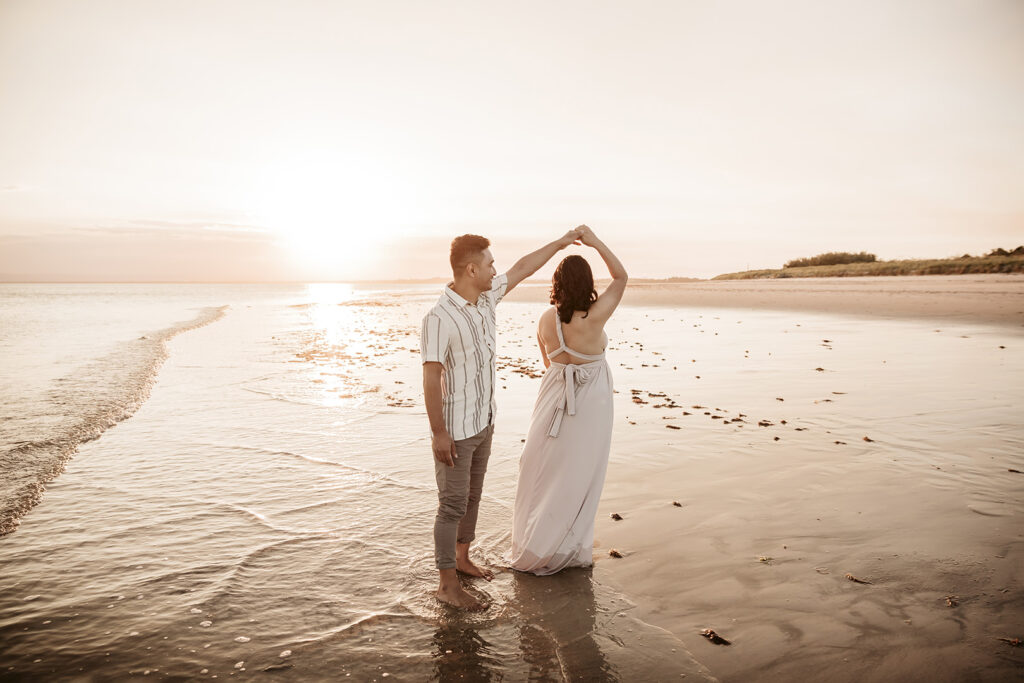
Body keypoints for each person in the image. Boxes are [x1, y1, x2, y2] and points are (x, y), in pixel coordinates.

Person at [421, 227, 585, 609]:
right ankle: (446, 584)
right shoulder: (439, 317)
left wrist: (560, 242)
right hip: (456, 430)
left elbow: (525, 267)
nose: (496, 271)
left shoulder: (487, 298)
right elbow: (431, 375)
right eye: (490, 264)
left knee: (472, 498)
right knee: (451, 505)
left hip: (484, 420)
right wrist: (438, 432)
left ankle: (462, 560)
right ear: (471, 270)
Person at [506, 225, 627, 575]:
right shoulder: (594, 316)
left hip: (552, 398)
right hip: (590, 402)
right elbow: (621, 277)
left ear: (557, 283)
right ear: (587, 283)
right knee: (582, 471)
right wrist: (596, 241)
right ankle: (570, 548)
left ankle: (533, 542)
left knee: (542, 471)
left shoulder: (545, 320)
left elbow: (549, 365)